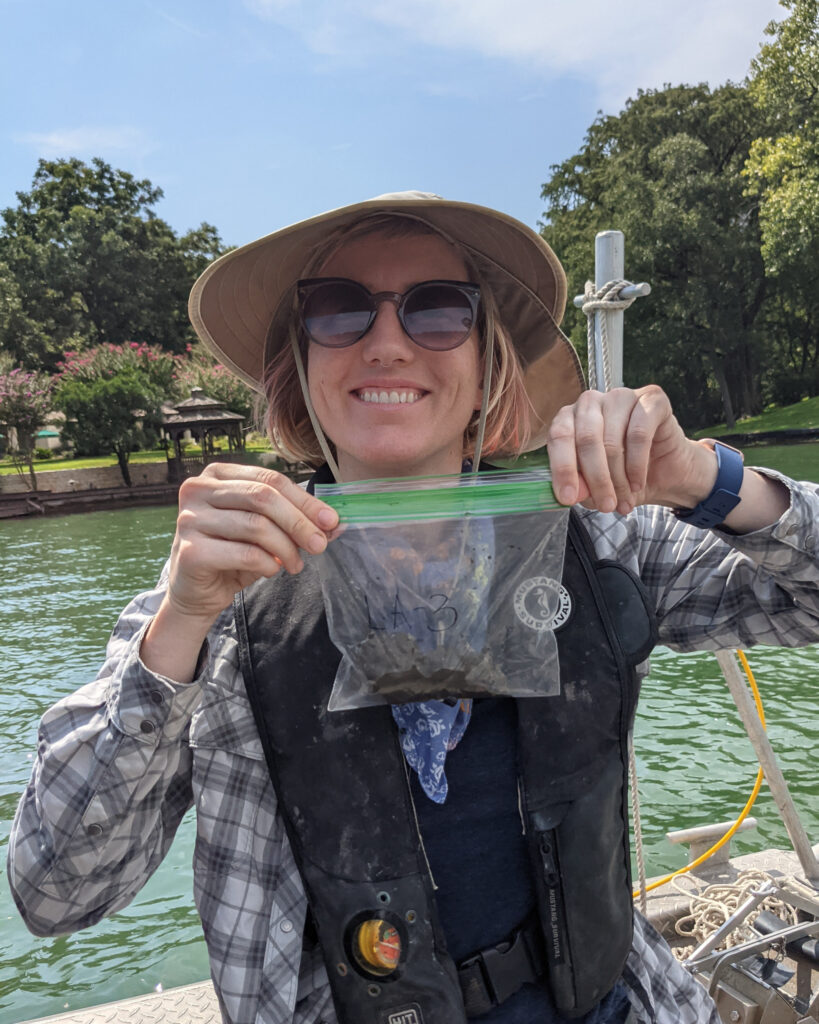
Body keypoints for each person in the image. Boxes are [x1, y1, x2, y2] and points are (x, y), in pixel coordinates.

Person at [8, 192, 819, 1024]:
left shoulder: (603, 542)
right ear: (302, 364)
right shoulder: (218, 595)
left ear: (486, 364)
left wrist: (707, 481)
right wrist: (179, 624)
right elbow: (54, 889)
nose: (387, 342)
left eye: (437, 309)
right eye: (338, 310)